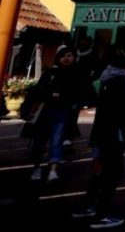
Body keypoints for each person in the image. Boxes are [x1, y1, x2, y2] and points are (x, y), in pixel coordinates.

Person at [73, 45, 125, 229]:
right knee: (112, 174)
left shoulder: (109, 77)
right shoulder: (120, 81)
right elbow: (120, 110)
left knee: (101, 172)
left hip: (103, 132)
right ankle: (100, 214)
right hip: (112, 134)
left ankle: (86, 206)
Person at [24, 45, 79, 182]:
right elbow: (38, 91)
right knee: (39, 141)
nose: (66, 59)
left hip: (62, 111)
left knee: (56, 141)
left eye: (69, 56)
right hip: (45, 110)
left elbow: (80, 93)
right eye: (63, 56)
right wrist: (50, 95)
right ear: (58, 58)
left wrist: (73, 102)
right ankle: (37, 168)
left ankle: (53, 171)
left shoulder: (76, 74)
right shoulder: (49, 73)